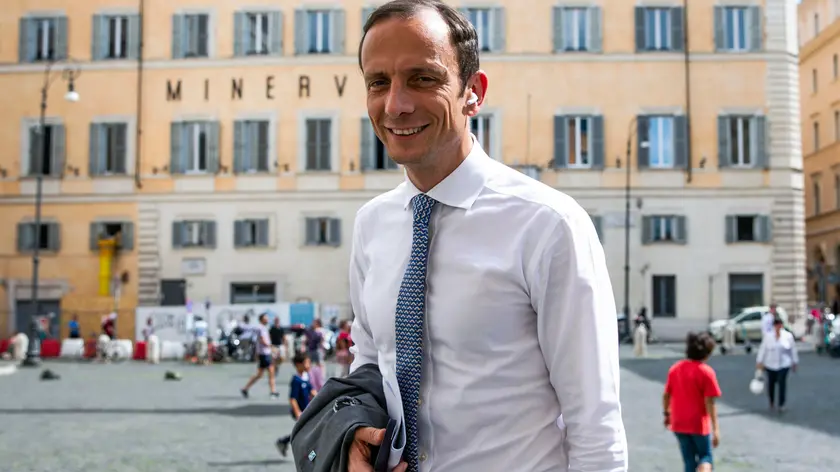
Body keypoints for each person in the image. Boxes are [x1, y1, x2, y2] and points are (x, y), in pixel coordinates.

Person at [348, 2, 628, 471]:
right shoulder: (371, 225)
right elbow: (370, 363)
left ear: (473, 93)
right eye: (379, 82)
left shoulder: (548, 224)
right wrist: (355, 434)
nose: (395, 104)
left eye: (422, 78)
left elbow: (594, 423)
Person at [662, 332, 722, 472]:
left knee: (688, 460)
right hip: (698, 424)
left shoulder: (675, 369)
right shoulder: (706, 372)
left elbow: (666, 395)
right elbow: (710, 403)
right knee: (705, 457)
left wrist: (666, 414)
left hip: (678, 422)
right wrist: (716, 429)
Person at [275, 353, 317, 457]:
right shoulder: (296, 380)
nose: (309, 365)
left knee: (305, 432)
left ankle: (284, 441)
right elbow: (292, 398)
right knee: (308, 432)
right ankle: (309, 455)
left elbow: (312, 391)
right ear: (299, 365)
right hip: (300, 411)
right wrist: (297, 412)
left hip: (307, 411)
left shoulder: (306, 377)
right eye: (307, 363)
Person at [756, 315, 799, 413]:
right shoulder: (768, 336)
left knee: (782, 383)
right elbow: (763, 349)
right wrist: (759, 361)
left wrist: (794, 362)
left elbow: (793, 350)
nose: (778, 327)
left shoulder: (788, 336)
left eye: (779, 325)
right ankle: (771, 401)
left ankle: (781, 404)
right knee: (771, 384)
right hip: (770, 364)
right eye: (776, 325)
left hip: (784, 364)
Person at [240, 313, 279, 399]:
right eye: (266, 318)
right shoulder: (261, 328)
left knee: (260, 374)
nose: (267, 319)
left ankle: (245, 388)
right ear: (262, 319)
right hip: (265, 354)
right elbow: (262, 340)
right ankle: (273, 392)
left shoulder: (262, 328)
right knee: (271, 372)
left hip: (264, 354)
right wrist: (271, 347)